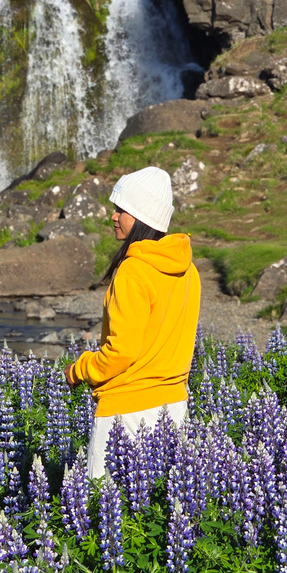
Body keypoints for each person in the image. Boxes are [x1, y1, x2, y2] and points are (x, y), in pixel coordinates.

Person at [64, 165, 200, 479]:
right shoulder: (188, 270)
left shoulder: (134, 271)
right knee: (160, 512)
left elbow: (120, 352)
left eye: (120, 210)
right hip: (174, 408)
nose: (113, 216)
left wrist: (80, 369)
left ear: (141, 217)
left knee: (103, 511)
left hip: (125, 412)